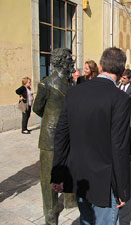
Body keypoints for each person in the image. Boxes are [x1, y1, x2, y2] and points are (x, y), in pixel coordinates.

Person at [51, 47, 131, 225]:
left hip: (78, 175)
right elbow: (119, 147)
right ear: (122, 71)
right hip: (104, 180)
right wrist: (123, 189)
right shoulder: (120, 99)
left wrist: (57, 174)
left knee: (86, 220)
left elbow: (61, 136)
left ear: (101, 66)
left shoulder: (74, 92)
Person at [33, 48, 77, 225]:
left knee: (69, 167)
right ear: (62, 62)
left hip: (69, 133)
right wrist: (53, 119)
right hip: (50, 136)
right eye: (69, 60)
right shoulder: (46, 84)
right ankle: (50, 211)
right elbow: (37, 108)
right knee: (48, 175)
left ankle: (69, 199)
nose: (72, 63)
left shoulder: (70, 83)